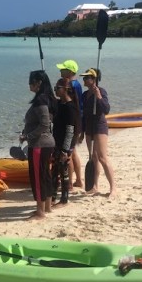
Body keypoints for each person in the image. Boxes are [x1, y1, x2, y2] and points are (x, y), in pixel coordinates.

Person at [20, 70, 56, 219]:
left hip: (39, 144)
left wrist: (28, 136)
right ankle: (47, 207)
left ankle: (40, 211)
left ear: (39, 83)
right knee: (45, 175)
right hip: (46, 144)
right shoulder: (48, 98)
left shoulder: (41, 100)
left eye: (31, 82)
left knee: (37, 177)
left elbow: (44, 124)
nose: (29, 85)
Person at [79, 68, 116, 197]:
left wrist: (98, 96)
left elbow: (106, 109)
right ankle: (94, 186)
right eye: (83, 78)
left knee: (102, 157)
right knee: (93, 157)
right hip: (89, 128)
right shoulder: (84, 95)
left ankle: (114, 189)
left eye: (86, 78)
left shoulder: (101, 91)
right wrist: (82, 132)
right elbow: (83, 115)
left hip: (99, 126)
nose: (84, 80)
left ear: (94, 79)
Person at [51, 77, 81, 206]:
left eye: (57, 88)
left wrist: (66, 150)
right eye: (55, 88)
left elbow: (71, 130)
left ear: (66, 90)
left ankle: (64, 199)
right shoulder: (60, 105)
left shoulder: (70, 108)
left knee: (63, 171)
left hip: (64, 145)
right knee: (54, 171)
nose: (55, 90)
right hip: (57, 143)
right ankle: (52, 197)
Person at [55, 59, 84, 188]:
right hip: (77, 121)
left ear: (70, 71)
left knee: (69, 154)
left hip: (72, 121)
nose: (60, 71)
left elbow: (75, 103)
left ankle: (70, 183)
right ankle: (78, 180)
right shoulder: (75, 84)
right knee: (74, 152)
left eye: (63, 69)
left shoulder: (72, 85)